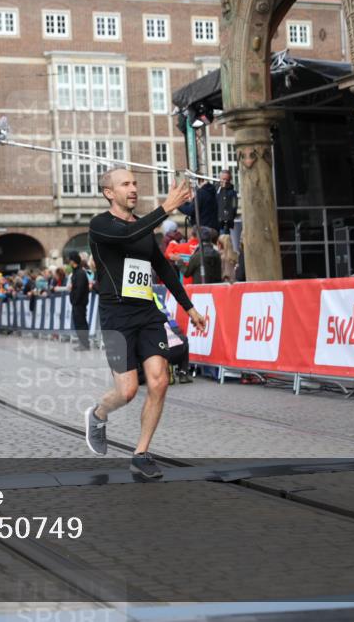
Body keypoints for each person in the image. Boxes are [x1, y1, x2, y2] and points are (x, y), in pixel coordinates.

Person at [84, 168, 206, 479]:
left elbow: (163, 268)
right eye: (125, 184)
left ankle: (141, 453)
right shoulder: (100, 225)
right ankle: (98, 414)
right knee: (125, 392)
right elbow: (125, 236)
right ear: (109, 193)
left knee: (159, 381)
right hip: (116, 316)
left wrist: (189, 307)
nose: (133, 189)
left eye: (135, 183)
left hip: (147, 313)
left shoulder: (143, 227)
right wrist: (166, 207)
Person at [68, 251, 91, 351]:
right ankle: (83, 343)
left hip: (79, 303)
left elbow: (80, 289)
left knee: (81, 323)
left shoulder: (80, 273)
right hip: (76, 302)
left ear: (73, 261)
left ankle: (85, 344)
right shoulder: (76, 272)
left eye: (70, 260)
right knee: (78, 323)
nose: (69, 262)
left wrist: (74, 300)